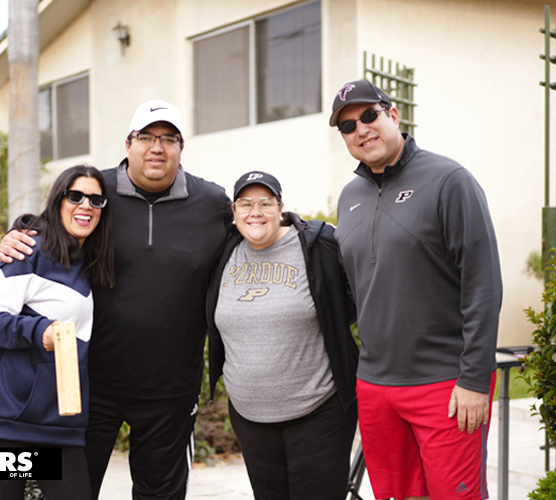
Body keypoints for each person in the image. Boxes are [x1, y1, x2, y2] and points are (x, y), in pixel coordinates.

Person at [0, 100, 232, 500]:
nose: (157, 147)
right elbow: (51, 225)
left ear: (181, 147)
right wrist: (17, 233)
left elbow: (256, 228)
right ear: (128, 143)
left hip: (171, 391)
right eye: (146, 137)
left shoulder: (211, 202)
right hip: (91, 384)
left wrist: (297, 227)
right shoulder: (97, 193)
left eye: (168, 138)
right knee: (71, 493)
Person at [329, 80, 503, 500]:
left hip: (445, 384)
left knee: (455, 495)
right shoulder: (349, 197)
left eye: (369, 115)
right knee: (398, 496)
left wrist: (475, 380)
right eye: (348, 126)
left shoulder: (449, 180)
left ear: (393, 115)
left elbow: (483, 284)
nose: (361, 130)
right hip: (374, 386)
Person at [0, 164, 115, 500]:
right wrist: (40, 331)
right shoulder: (27, 249)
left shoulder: (85, 261)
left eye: (96, 200)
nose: (85, 205)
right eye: (75, 196)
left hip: (57, 422)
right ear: (58, 199)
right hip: (3, 421)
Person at [206, 171, 359, 500]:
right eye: (245, 204)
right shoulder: (223, 253)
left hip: (318, 412)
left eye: (265, 203)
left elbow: (353, 300)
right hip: (250, 417)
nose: (255, 212)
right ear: (234, 212)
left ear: (281, 207)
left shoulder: (318, 246)